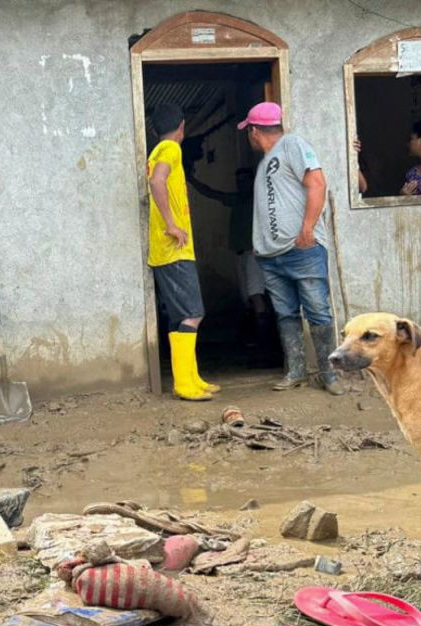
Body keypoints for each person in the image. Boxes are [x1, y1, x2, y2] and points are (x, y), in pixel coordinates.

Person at [240, 101, 344, 395]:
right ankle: (296, 371)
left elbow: (317, 183)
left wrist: (308, 228)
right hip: (271, 256)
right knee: (285, 314)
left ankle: (329, 374)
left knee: (318, 312)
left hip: (301, 249)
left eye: (248, 131)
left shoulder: (293, 145)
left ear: (255, 131)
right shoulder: (266, 161)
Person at [146, 101, 218, 401]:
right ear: (182, 126)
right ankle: (184, 384)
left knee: (182, 317)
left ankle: (191, 377)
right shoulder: (170, 149)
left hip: (169, 251)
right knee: (192, 314)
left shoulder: (160, 150)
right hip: (173, 249)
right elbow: (156, 180)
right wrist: (172, 224)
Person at [185, 167, 275, 361]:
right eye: (239, 181)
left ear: (252, 182)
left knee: (256, 295)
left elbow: (213, 194)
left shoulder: (257, 201)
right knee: (248, 298)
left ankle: (265, 346)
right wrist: (192, 180)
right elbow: (213, 194)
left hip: (254, 253)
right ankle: (259, 343)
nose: (241, 184)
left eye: (244, 180)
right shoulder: (237, 200)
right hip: (241, 253)